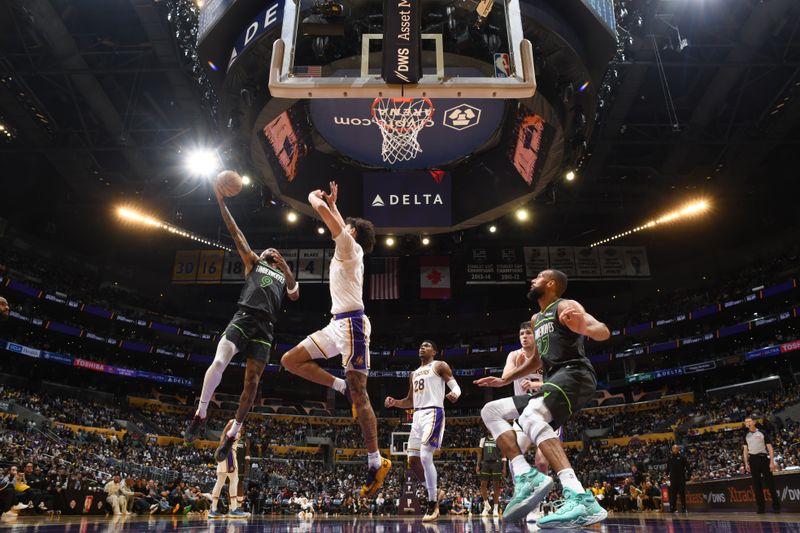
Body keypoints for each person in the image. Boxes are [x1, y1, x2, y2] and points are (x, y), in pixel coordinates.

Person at [474, 269, 610, 526]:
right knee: (490, 411)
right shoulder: (536, 319)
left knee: (531, 415)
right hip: (555, 380)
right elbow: (537, 360)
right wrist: (505, 379)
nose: (532, 281)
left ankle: (579, 496)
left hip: (575, 374)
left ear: (551, 283)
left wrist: (585, 327)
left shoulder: (566, 306)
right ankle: (525, 476)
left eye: (537, 278)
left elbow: (603, 330)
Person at [281, 181, 388, 497]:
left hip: (353, 324)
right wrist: (335, 204)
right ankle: (339, 387)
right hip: (335, 324)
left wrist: (315, 199)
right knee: (291, 360)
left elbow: (330, 220)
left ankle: (375, 460)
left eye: (347, 226)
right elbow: (339, 222)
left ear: (352, 232)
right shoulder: (349, 246)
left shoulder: (349, 247)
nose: (343, 227)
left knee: (361, 393)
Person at [184, 178, 299, 449]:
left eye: (275, 250)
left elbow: (295, 293)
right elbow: (235, 232)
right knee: (220, 361)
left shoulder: (283, 276)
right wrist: (221, 201)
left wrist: (285, 267)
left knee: (252, 384)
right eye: (268, 249)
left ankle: (233, 432)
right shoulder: (253, 262)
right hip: (244, 317)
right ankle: (200, 413)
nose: (271, 250)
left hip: (265, 328)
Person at [384, 340, 460, 521]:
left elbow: (454, 384)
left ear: (434, 351)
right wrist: (395, 402)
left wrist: (455, 393)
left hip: (433, 412)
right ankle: (436, 491)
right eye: (420, 346)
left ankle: (433, 503)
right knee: (413, 460)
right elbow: (410, 400)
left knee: (426, 456)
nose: (422, 348)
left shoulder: (439, 365)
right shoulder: (414, 373)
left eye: (426, 346)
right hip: (416, 416)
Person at [209, 419, 250, 518]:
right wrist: (223, 449)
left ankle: (213, 509)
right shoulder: (234, 422)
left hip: (226, 452)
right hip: (229, 453)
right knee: (234, 479)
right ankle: (233, 509)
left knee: (220, 481)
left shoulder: (237, 425)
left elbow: (224, 436)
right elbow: (223, 434)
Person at [743, 415, 780, 514]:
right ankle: (761, 507)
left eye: (749, 421)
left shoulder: (762, 432)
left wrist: (771, 462)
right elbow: (745, 450)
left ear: (754, 422)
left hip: (763, 458)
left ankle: (776, 506)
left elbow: (770, 448)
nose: (748, 423)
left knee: (770, 483)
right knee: (756, 485)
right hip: (753, 460)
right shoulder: (745, 435)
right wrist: (746, 463)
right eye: (746, 422)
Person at [476, 432, 505, 517]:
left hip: (496, 463)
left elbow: (503, 454)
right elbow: (480, 453)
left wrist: (504, 467)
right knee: (482, 485)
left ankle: (495, 508)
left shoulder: (498, 439)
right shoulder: (483, 440)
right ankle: (486, 505)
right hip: (485, 463)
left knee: (496, 486)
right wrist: (477, 465)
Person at [667, 444, 689, 513]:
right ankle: (673, 508)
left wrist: (689, 475)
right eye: (673, 448)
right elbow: (668, 468)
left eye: (676, 448)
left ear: (678, 449)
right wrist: (666, 474)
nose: (675, 450)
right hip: (673, 479)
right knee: (673, 494)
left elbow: (687, 466)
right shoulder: (670, 458)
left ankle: (684, 508)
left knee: (682, 493)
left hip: (681, 478)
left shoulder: (682, 457)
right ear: (672, 449)